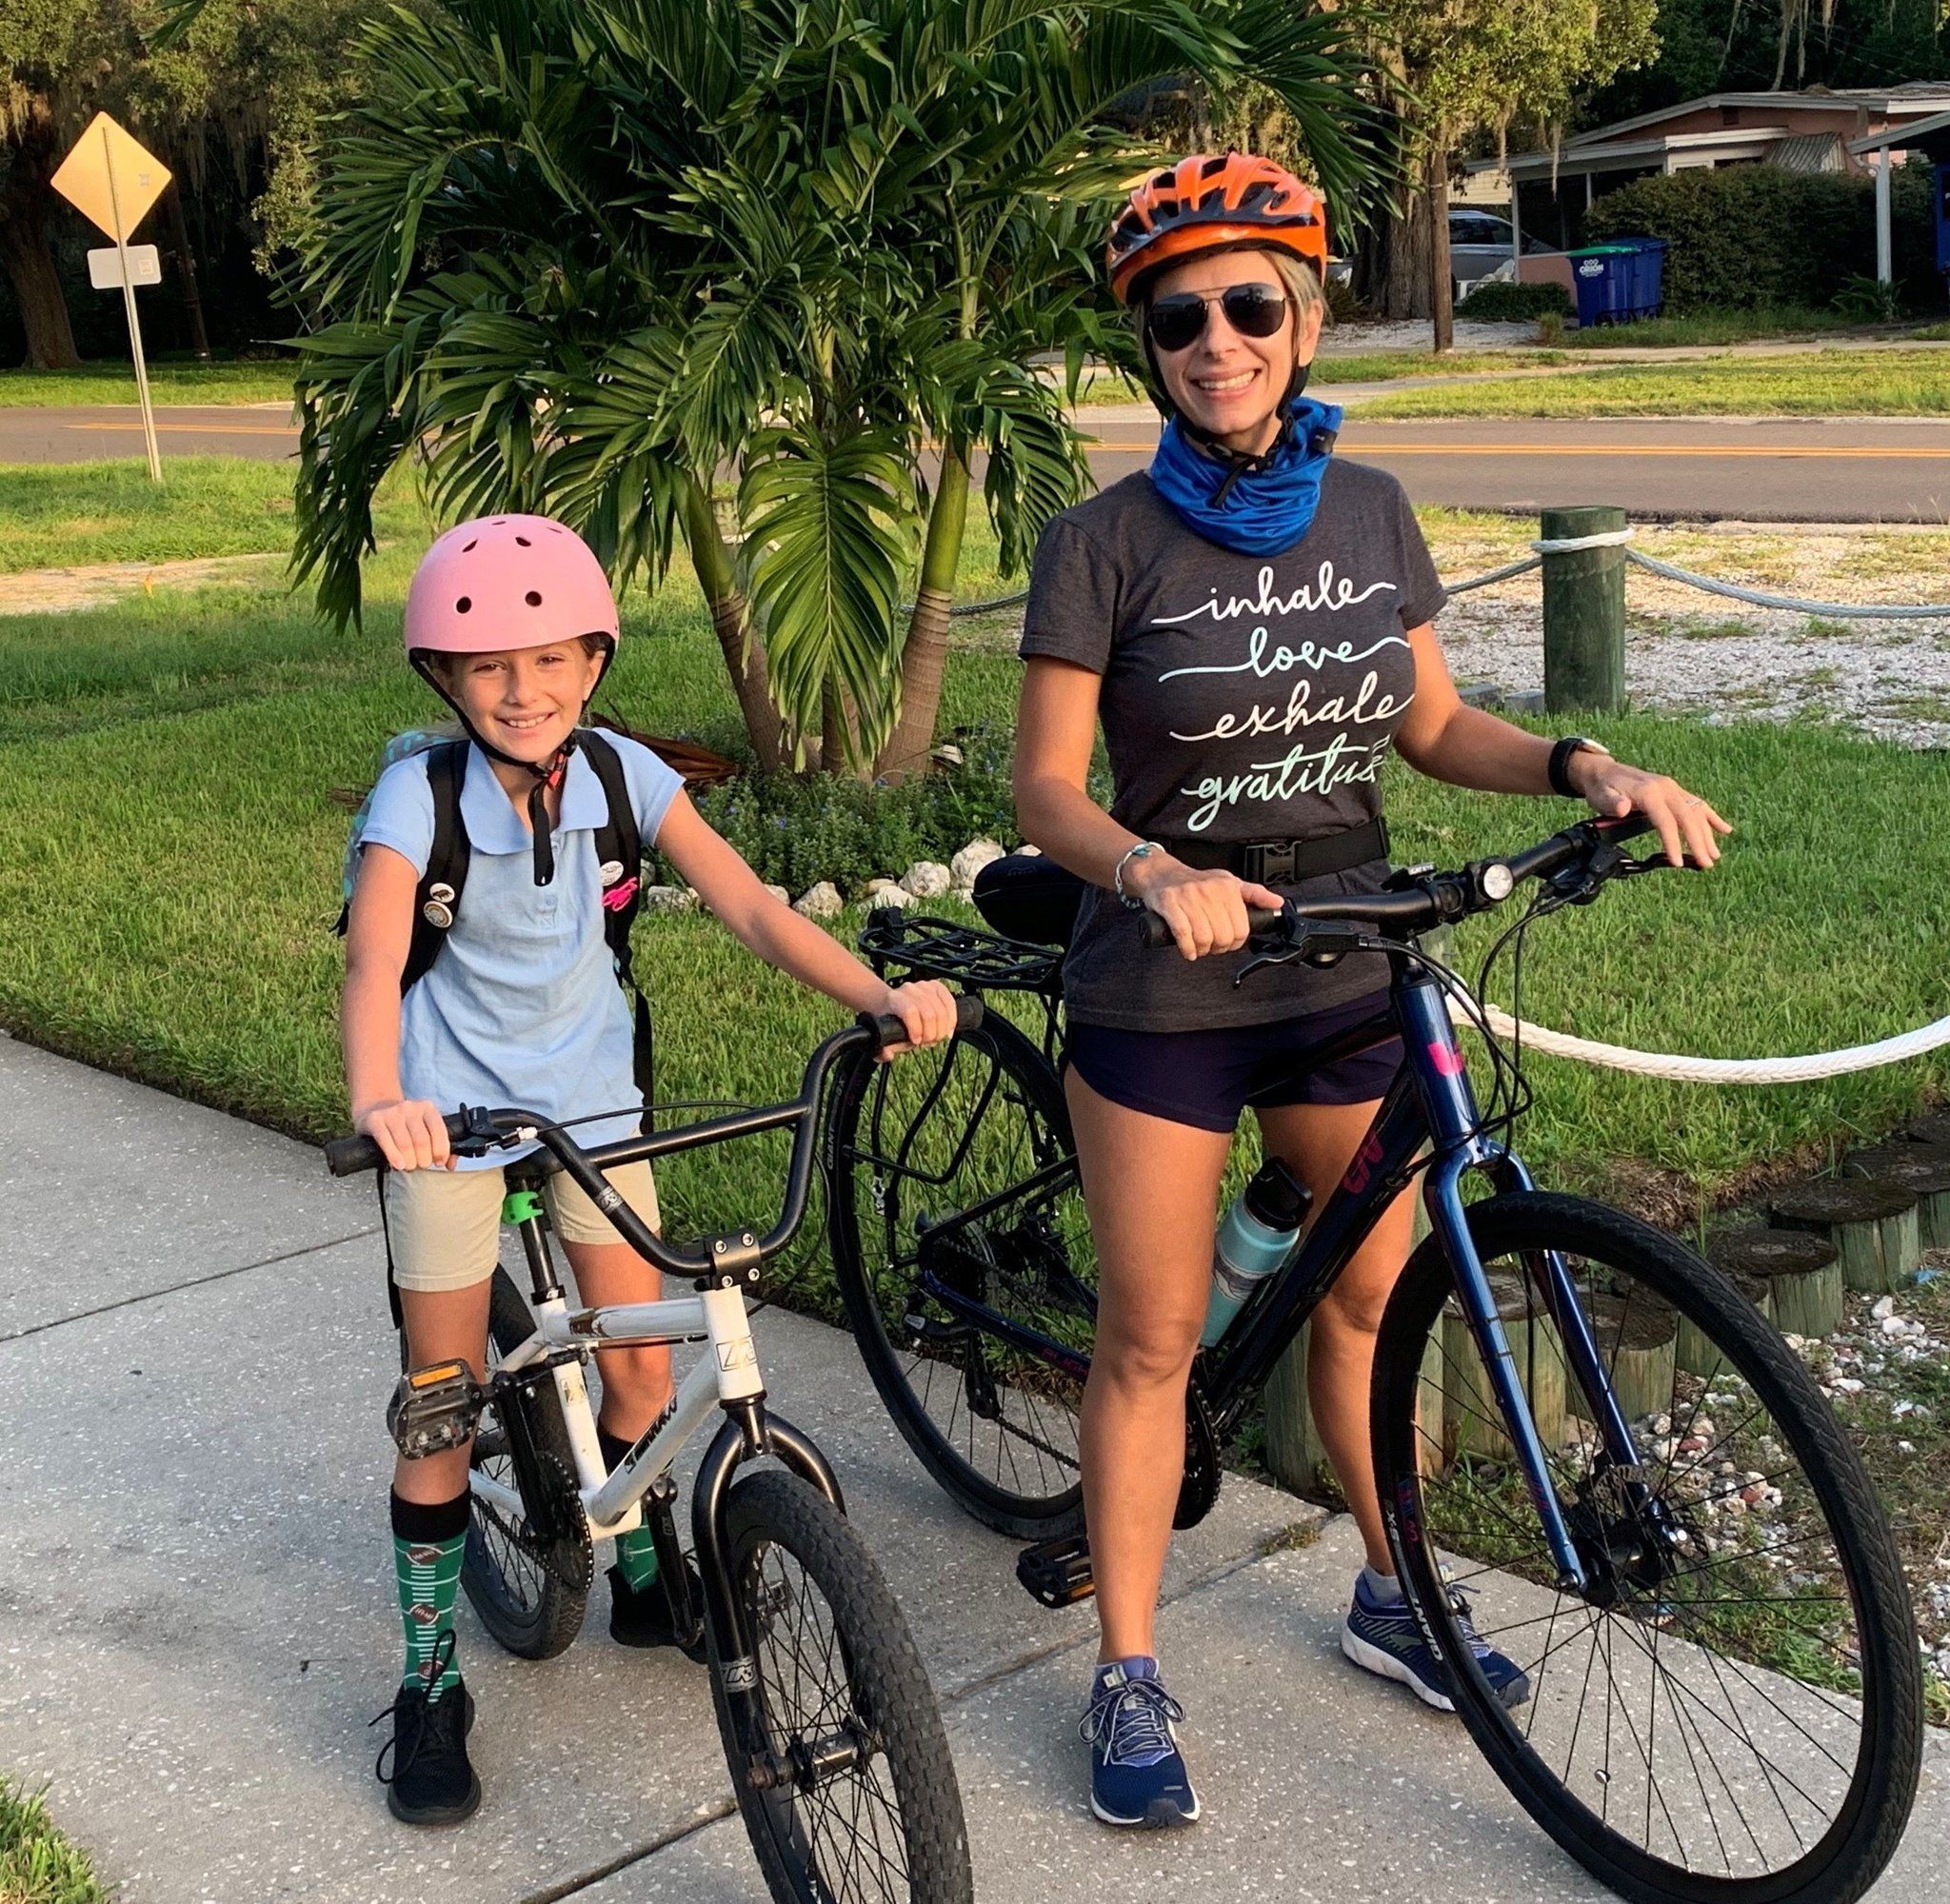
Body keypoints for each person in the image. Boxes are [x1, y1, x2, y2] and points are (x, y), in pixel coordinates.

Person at [1010, 155, 1732, 1830]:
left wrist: (1580, 762)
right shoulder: (1099, 539)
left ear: (1309, 319)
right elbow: (1049, 790)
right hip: (1165, 984)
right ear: (1150, 350)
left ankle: (1393, 1587)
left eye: (1250, 305)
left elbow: (1430, 728)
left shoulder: (1371, 509)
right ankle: (1127, 1668)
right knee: (1153, 1337)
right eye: (1178, 317)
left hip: (1344, 955)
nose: (1217, 338)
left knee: (1363, 1301)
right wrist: (1154, 873)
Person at [343, 513, 959, 1826]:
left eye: (554, 658)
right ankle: (431, 1680)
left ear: (596, 660)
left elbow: (748, 904)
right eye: (491, 666)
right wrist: (381, 1100)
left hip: (597, 1107)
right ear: (444, 682)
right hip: (449, 1118)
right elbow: (370, 957)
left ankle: (633, 1579)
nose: (526, 689)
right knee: (443, 1403)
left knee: (638, 1364)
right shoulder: (421, 796)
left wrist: (873, 997)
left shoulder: (627, 778)